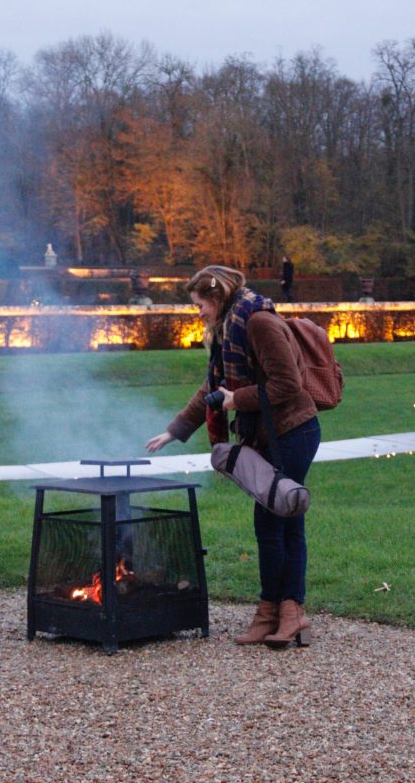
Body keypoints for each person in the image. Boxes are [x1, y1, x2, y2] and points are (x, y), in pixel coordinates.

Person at [145, 265, 320, 648]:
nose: (199, 313)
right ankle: (280, 612)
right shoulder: (231, 328)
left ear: (216, 295)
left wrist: (235, 400)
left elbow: (287, 385)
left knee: (273, 520)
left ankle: (281, 611)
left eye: (199, 305)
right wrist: (175, 431)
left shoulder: (257, 323)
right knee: (281, 521)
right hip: (268, 434)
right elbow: (212, 387)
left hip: (294, 431)